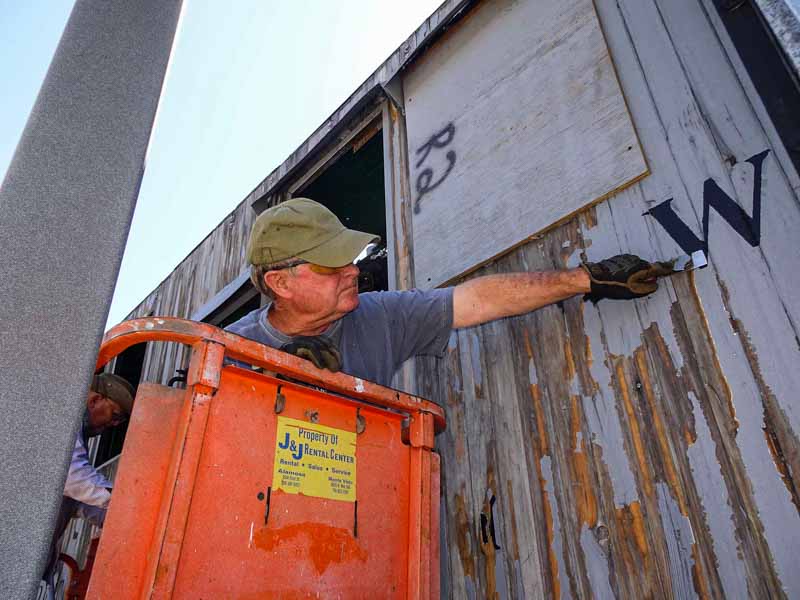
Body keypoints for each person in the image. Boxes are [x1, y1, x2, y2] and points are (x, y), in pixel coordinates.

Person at [226, 198, 671, 386]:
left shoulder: (380, 317)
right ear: (280, 283)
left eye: (349, 258)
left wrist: (587, 279)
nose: (351, 272)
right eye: (330, 263)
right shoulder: (225, 353)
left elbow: (477, 299)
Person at [44, 373, 134, 580]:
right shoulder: (63, 421)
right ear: (95, 400)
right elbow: (72, 478)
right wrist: (124, 502)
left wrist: (123, 519)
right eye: (115, 415)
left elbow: (76, 502)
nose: (113, 425)